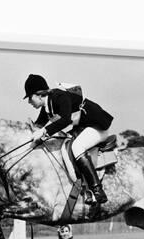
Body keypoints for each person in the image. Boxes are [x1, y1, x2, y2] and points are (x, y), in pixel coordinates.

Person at [23, 73, 113, 204]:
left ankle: (97, 190)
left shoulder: (59, 96)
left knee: (77, 146)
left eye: (30, 97)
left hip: (97, 126)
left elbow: (65, 120)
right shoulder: (47, 106)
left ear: (39, 94)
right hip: (83, 128)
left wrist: (43, 131)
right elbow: (39, 125)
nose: (29, 102)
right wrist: (34, 129)